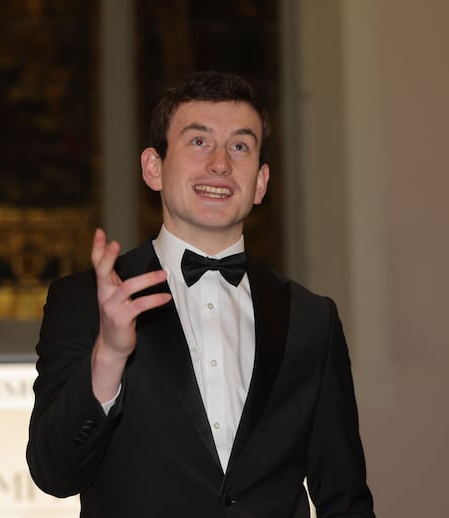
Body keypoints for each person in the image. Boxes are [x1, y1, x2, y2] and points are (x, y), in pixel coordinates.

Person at [27, 70, 375, 517]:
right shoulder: (85, 300)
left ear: (262, 182)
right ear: (154, 168)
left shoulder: (313, 318)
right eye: (198, 142)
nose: (220, 164)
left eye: (240, 146)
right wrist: (109, 358)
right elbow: (54, 473)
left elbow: (344, 497)